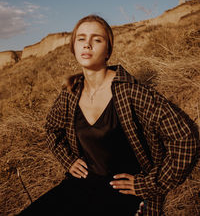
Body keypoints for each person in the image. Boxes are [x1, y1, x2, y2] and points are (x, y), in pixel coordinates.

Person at [18, 15, 199, 216]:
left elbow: (185, 139)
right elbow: (52, 129)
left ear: (108, 51)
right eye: (81, 39)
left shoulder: (132, 92)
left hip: (123, 196)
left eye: (96, 39)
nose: (87, 44)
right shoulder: (70, 95)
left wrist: (148, 184)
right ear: (74, 48)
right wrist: (68, 160)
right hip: (79, 187)